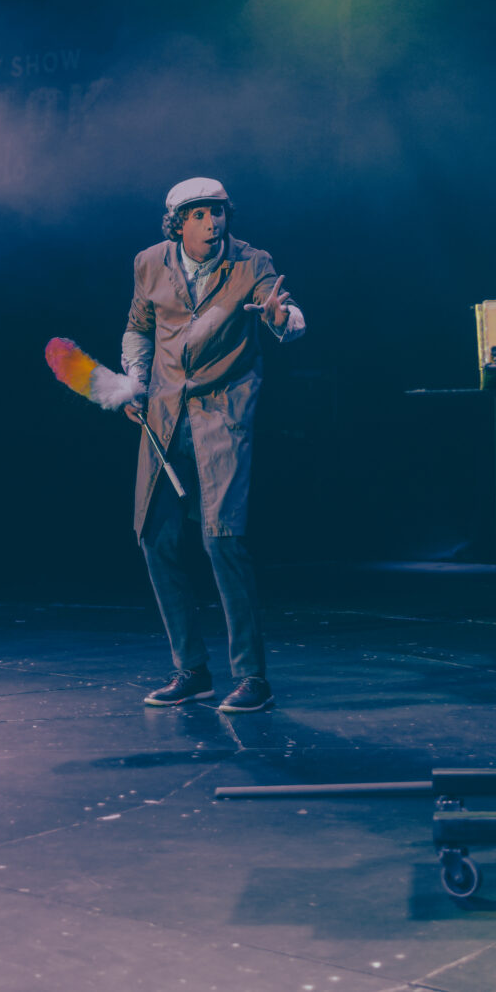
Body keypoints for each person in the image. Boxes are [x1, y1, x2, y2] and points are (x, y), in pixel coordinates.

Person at [121, 177, 304, 713]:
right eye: (199, 214)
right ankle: (191, 671)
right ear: (177, 223)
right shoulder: (150, 263)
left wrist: (281, 319)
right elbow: (138, 328)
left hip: (222, 414)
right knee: (155, 537)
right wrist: (135, 379)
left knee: (222, 539)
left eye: (218, 212)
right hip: (162, 414)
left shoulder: (251, 262)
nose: (212, 222)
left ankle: (252, 678)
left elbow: (288, 316)